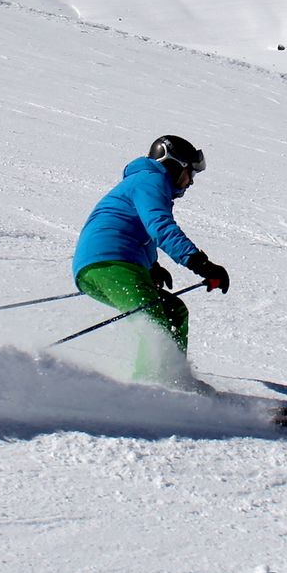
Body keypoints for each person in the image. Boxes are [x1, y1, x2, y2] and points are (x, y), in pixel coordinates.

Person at [71, 134, 229, 389]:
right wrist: (201, 264)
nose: (190, 182)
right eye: (190, 172)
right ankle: (155, 385)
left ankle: (172, 377)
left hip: (108, 265)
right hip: (109, 263)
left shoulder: (145, 182)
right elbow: (160, 226)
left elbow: (138, 230)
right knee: (152, 318)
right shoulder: (151, 179)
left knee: (172, 311)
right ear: (175, 164)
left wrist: (151, 266)